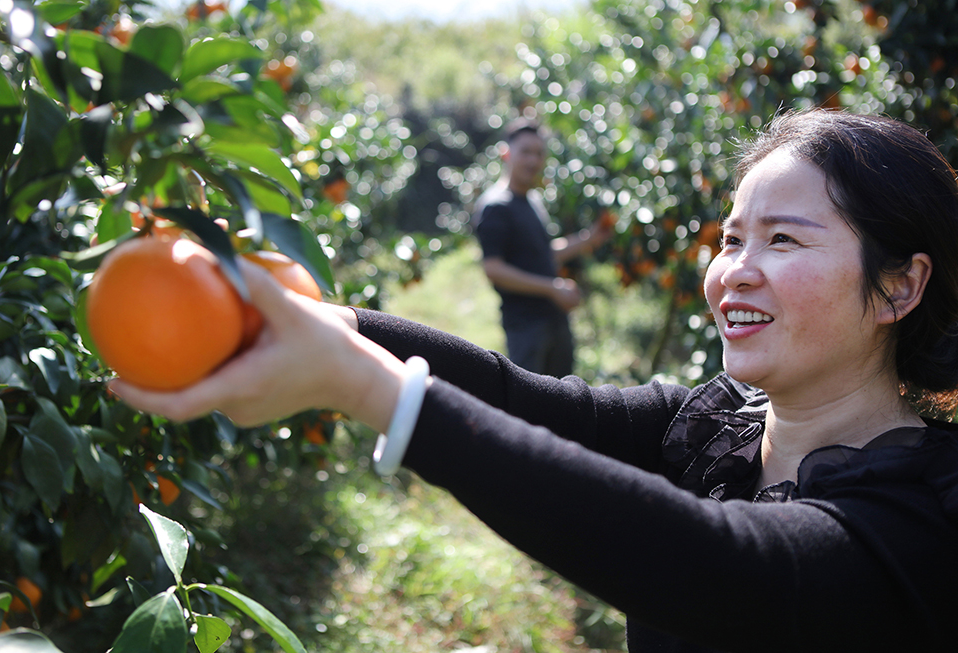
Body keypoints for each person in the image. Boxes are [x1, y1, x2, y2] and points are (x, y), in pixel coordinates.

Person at [111, 110, 958, 652]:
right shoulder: (713, 426)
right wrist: (326, 323)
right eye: (733, 238)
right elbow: (518, 398)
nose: (735, 269)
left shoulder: (922, 517)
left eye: (784, 240)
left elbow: (719, 567)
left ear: (900, 286)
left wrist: (370, 389)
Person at [473, 119, 611, 377]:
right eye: (525, 152)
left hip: (554, 320)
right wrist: (552, 287)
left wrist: (589, 239)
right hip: (526, 325)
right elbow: (493, 269)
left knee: (561, 395)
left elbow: (543, 253)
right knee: (531, 397)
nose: (533, 160)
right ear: (506, 154)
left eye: (539, 153)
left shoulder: (532, 200)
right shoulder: (496, 207)